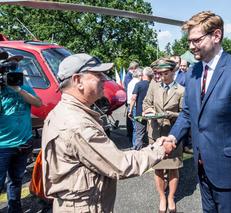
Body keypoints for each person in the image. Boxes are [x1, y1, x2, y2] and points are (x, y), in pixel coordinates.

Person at [160, 11, 231, 212]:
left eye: (196, 40)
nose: (191, 46)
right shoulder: (193, 72)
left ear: (216, 36)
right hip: (202, 169)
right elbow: (187, 113)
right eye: (189, 41)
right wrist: (173, 136)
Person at [41, 53, 175, 212]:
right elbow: (120, 165)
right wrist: (159, 149)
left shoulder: (64, 112)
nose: (104, 79)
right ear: (78, 80)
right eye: (98, 74)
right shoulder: (77, 124)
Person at [0, 55, 42, 213]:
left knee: (16, 181)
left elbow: (38, 102)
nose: (13, 71)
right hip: (2, 146)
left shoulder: (22, 86)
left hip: (22, 143)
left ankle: (14, 210)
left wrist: (18, 89)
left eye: (14, 68)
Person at [143, 58, 184, 213]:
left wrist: (168, 114)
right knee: (158, 168)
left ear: (173, 72)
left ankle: (171, 197)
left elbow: (184, 114)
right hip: (155, 133)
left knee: (173, 168)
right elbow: (146, 103)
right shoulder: (154, 87)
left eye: (165, 73)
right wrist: (148, 111)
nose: (161, 76)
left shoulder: (181, 90)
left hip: (173, 134)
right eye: (159, 73)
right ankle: (162, 197)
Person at [128, 67, 153, 150]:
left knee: (139, 134)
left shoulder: (139, 84)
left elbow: (133, 98)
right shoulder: (153, 85)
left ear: (143, 75)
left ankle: (137, 151)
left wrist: (130, 110)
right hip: (151, 113)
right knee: (151, 134)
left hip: (140, 113)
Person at [124, 61, 139, 144]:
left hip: (129, 100)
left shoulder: (128, 76)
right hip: (130, 100)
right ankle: (130, 137)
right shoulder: (129, 77)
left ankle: (130, 135)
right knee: (130, 121)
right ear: (133, 68)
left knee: (130, 119)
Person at [127, 68, 142, 148]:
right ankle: (135, 145)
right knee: (137, 127)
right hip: (135, 106)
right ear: (139, 75)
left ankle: (134, 144)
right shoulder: (137, 83)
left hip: (130, 105)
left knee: (134, 127)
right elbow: (134, 97)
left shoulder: (130, 82)